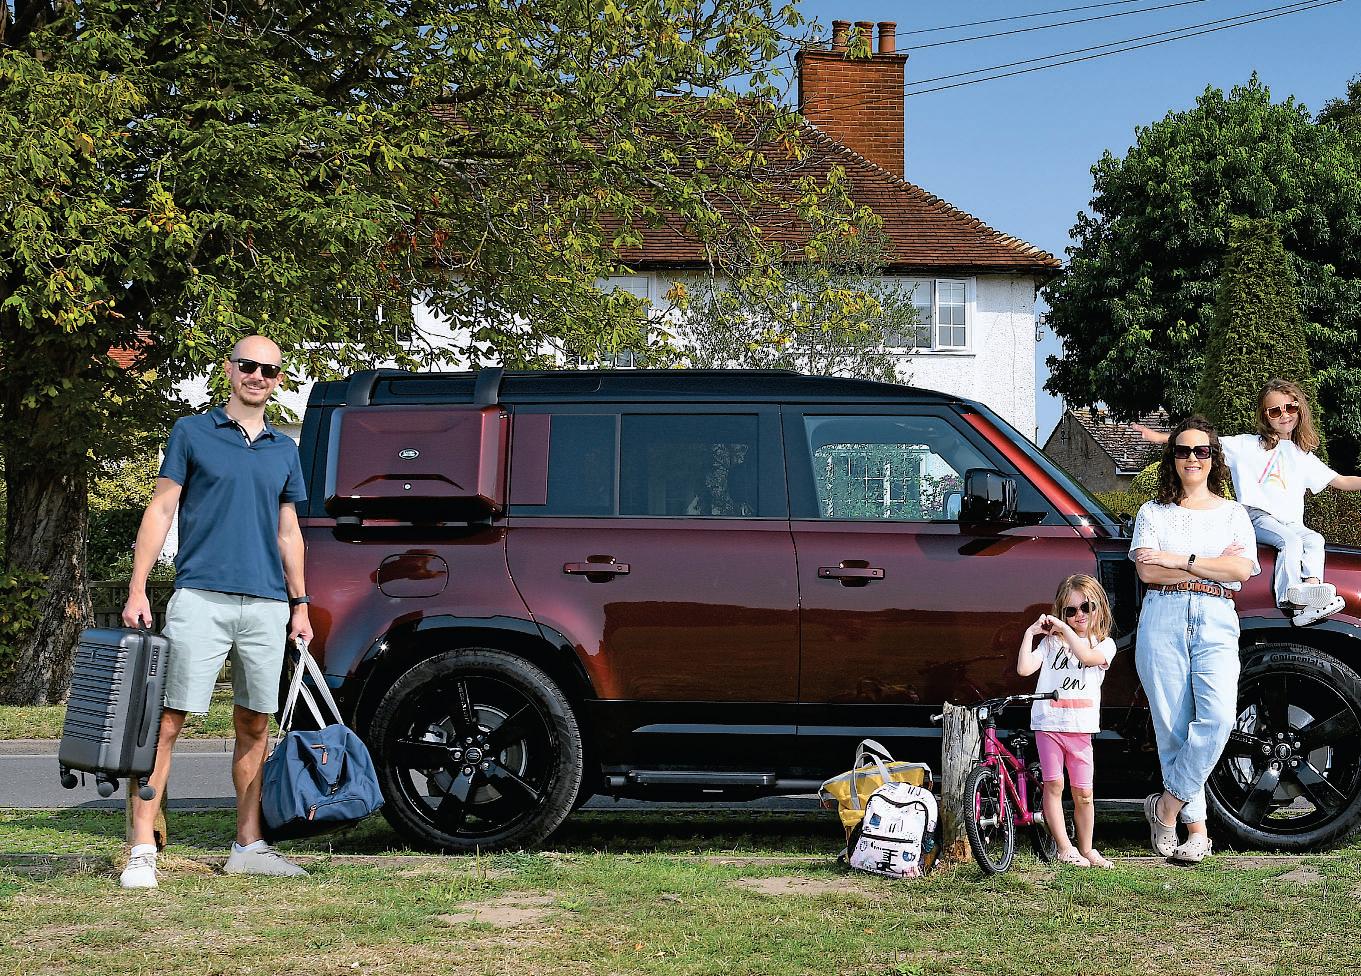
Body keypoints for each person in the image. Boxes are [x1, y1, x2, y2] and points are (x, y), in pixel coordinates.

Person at [118, 336, 313, 889]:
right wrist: (138, 589)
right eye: (248, 366)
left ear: (277, 381)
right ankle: (141, 849)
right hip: (200, 596)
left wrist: (299, 604)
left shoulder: (283, 449)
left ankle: (248, 844)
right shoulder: (192, 432)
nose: (258, 376)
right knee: (167, 722)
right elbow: (160, 509)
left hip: (268, 605)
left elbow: (288, 531)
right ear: (229, 370)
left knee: (255, 722)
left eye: (269, 370)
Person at [1129, 415, 1258, 864]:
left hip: (1217, 615)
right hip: (1162, 613)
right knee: (1173, 727)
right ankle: (1197, 832)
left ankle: (1166, 806)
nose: (1192, 458)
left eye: (1201, 451)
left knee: (1219, 718)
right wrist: (1207, 562)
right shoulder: (1152, 512)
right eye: (1183, 450)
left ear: (1213, 459)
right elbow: (1147, 570)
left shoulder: (1232, 513)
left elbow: (1241, 570)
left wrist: (1179, 557)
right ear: (1173, 458)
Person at [1135, 379, 1361, 626]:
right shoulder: (1247, 446)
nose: (1284, 416)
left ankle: (1310, 592)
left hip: (1289, 522)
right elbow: (1201, 444)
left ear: (1299, 409)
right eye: (1275, 411)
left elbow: (1340, 480)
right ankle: (1290, 597)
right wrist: (1157, 437)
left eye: (1290, 408)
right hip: (1257, 516)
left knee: (1314, 540)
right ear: (1265, 417)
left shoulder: (1302, 454)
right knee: (1291, 541)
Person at [1016, 574, 1118, 869]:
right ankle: (1064, 847)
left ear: (1099, 607)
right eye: (1070, 611)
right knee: (1054, 784)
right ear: (1063, 612)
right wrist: (1030, 634)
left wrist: (1062, 628)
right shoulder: (1050, 645)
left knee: (1084, 792)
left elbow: (1086, 657)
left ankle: (1086, 848)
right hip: (1049, 723)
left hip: (1080, 727)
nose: (1079, 616)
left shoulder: (1103, 644)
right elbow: (1024, 669)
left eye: (1086, 607)